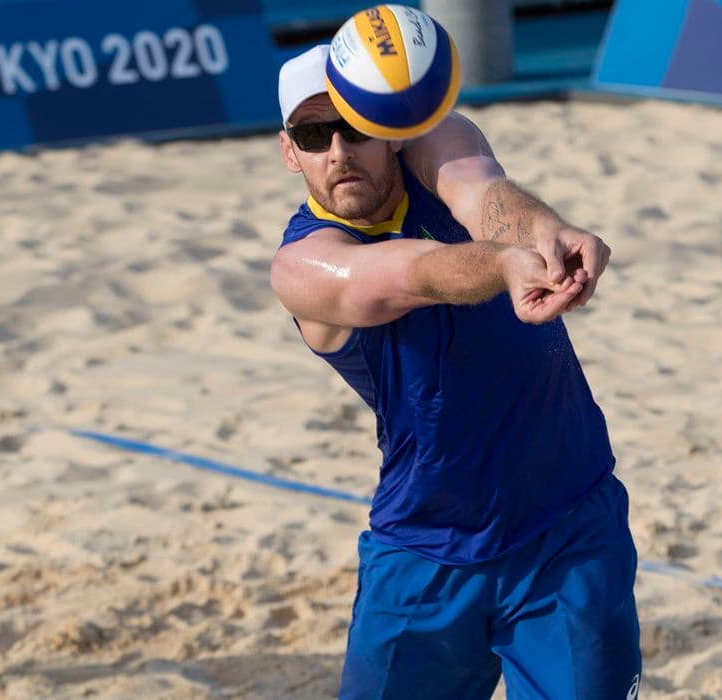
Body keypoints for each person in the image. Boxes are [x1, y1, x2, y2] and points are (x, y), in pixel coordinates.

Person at [270, 46, 640, 699]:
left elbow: (488, 195)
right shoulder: (303, 267)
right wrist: (504, 263)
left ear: (390, 128)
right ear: (289, 152)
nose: (338, 151)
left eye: (354, 126)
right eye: (312, 135)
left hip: (568, 525)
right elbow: (412, 272)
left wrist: (546, 232)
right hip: (425, 549)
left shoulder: (438, 143)